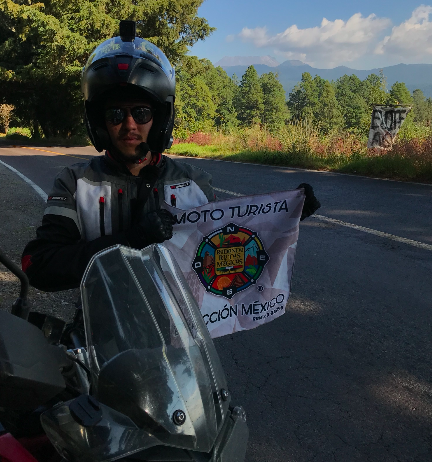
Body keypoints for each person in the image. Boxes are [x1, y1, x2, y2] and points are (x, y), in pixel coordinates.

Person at [22, 21, 320, 292]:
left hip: (178, 334)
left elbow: (228, 252)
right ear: (99, 124)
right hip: (100, 337)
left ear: (160, 119)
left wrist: (284, 217)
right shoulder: (76, 182)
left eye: (141, 113)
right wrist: (128, 241)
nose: (129, 125)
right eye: (115, 114)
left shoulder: (191, 182)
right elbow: (40, 265)